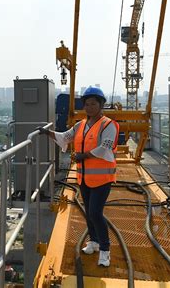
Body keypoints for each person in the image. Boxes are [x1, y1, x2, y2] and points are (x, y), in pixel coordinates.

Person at [38, 86, 119, 267]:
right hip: (84, 177)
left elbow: (105, 148)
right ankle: (94, 242)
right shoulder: (80, 125)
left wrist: (84, 155)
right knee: (89, 214)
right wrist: (47, 133)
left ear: (101, 105)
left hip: (102, 178)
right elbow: (64, 137)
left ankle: (105, 251)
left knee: (95, 213)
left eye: (93, 104)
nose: (89, 107)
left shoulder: (109, 125)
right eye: (87, 104)